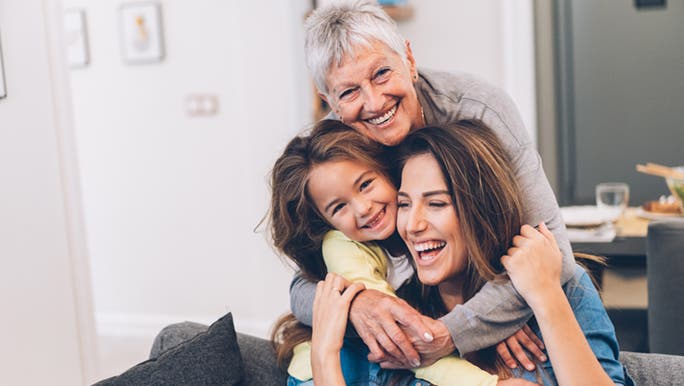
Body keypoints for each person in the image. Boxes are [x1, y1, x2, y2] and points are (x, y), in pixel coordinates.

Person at [290, 0, 572, 371]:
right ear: (330, 103)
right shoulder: (333, 152)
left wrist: (458, 327)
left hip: (497, 304)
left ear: (409, 59)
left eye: (380, 74)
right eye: (349, 93)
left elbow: (554, 255)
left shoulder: (479, 110)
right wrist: (358, 304)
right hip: (415, 315)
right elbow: (302, 287)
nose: (374, 103)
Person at [270, 120, 531, 385]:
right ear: (325, 221)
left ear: (387, 172)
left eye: (365, 185)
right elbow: (400, 336)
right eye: (339, 207)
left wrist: (497, 322)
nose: (362, 209)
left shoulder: (419, 229)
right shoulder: (342, 247)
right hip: (334, 371)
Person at [392, 123, 631, 385]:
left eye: (436, 204)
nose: (413, 225)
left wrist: (546, 297)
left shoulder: (564, 287)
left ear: (483, 210)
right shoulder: (399, 310)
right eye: (404, 204)